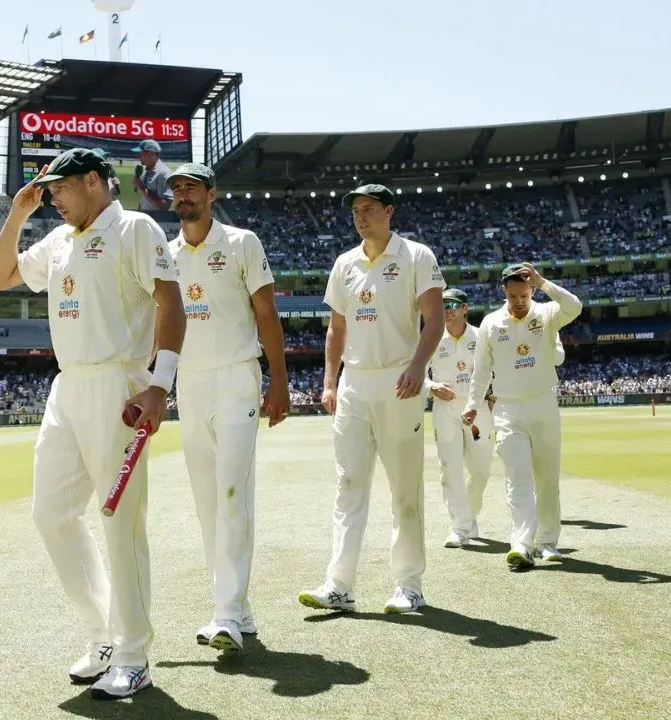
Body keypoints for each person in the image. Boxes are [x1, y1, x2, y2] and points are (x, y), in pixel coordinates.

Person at [0, 148, 185, 700]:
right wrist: (20, 213)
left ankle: (134, 654)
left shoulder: (135, 228)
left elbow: (171, 302)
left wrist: (159, 384)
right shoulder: (58, 239)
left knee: (120, 522)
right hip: (67, 386)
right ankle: (103, 634)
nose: (52, 198)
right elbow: (0, 276)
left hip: (119, 384)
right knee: (50, 514)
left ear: (94, 181)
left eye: (59, 188)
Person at [297, 183, 445, 615]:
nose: (360, 216)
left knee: (404, 489)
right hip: (354, 384)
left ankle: (409, 585)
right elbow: (336, 330)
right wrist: (329, 381)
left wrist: (418, 366)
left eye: (368, 209)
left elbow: (434, 319)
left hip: (400, 379)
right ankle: (339, 585)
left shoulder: (416, 255)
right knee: (348, 485)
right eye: (355, 211)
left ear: (388, 211)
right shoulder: (345, 263)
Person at [166, 163, 290, 652]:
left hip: (238, 376)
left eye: (191, 187)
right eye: (176, 189)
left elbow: (266, 314)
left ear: (211, 194)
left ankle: (224, 615)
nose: (182, 196)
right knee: (206, 502)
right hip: (189, 381)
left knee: (233, 493)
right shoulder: (166, 252)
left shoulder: (242, 242)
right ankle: (237, 609)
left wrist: (279, 382)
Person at [463, 263, 582, 571]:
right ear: (504, 292)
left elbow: (575, 306)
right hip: (507, 410)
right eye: (512, 295)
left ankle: (548, 542)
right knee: (517, 477)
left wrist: (544, 283)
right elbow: (480, 372)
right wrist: (473, 404)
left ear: (531, 291)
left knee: (546, 476)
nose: (518, 301)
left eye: (524, 294)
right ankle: (521, 544)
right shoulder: (491, 323)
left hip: (543, 404)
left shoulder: (546, 315)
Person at [425, 288, 494, 547]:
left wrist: (493, 398)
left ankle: (468, 516)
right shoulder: (431, 337)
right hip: (445, 408)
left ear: (465, 308)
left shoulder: (481, 336)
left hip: (477, 408)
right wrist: (432, 387)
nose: (448, 309)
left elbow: (495, 369)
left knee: (481, 472)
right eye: (443, 304)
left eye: (453, 304)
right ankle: (459, 527)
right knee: (449, 470)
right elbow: (417, 371)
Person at [131, 139, 172, 212]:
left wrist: (141, 187)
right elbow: (145, 199)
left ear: (151, 154)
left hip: (157, 220)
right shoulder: (147, 170)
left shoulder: (163, 173)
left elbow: (164, 206)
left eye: (141, 154)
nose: (139, 157)